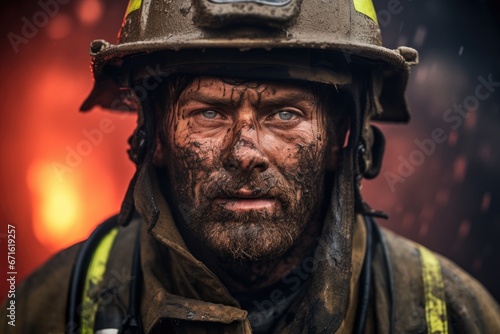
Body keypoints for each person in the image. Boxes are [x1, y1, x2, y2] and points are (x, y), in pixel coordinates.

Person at [3, 0, 499, 333]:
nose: (244, 152)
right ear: (153, 138)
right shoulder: (49, 309)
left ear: (340, 139)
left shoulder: (449, 312)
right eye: (208, 113)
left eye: (285, 114)